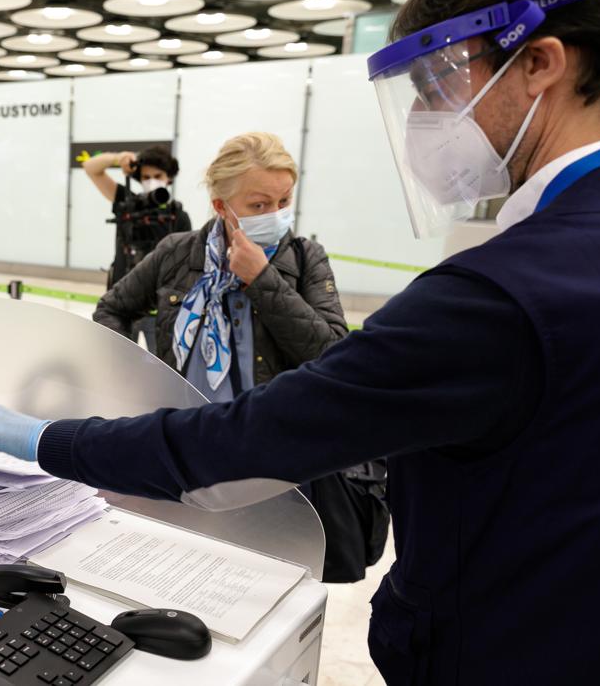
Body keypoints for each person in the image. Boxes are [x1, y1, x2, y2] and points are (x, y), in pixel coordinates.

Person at [0, 0, 600, 682]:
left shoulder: (500, 294)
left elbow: (243, 438)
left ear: (538, 63)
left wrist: (42, 439)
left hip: (517, 647)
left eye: (437, 81)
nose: (424, 115)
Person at [93, 132, 387, 582]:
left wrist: (262, 279)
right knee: (177, 576)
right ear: (220, 207)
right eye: (258, 205)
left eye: (283, 200)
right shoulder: (176, 253)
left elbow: (331, 351)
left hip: (272, 462)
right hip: (185, 449)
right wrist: (138, 381)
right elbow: (113, 309)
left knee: (262, 584)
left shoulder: (305, 258)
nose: (275, 215)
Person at [83, 146, 193, 352]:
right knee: (117, 362)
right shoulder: (127, 203)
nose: (152, 180)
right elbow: (90, 167)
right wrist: (118, 157)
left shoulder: (178, 215)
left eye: (158, 175)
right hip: (123, 304)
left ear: (169, 178)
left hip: (161, 308)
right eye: (146, 176)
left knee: (164, 369)